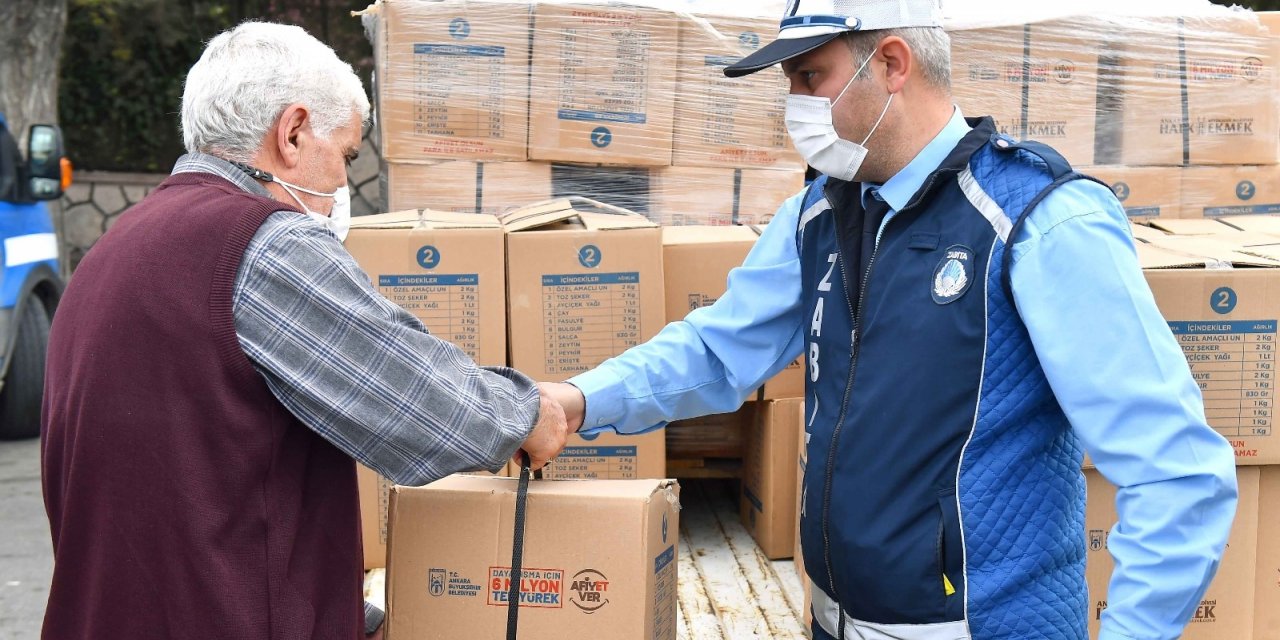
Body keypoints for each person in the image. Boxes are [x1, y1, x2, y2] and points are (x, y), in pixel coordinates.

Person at [541, 1, 1239, 638]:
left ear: (893, 64)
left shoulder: (1037, 221)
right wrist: (577, 401)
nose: (795, 106)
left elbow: (1177, 474)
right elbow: (719, 350)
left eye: (810, 77)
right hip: (838, 619)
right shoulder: (821, 214)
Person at [40, 22, 570, 640]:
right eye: (344, 155)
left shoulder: (114, 249)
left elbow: (188, 482)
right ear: (292, 133)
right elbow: (435, 414)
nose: (344, 183)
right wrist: (531, 411)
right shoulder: (264, 244)